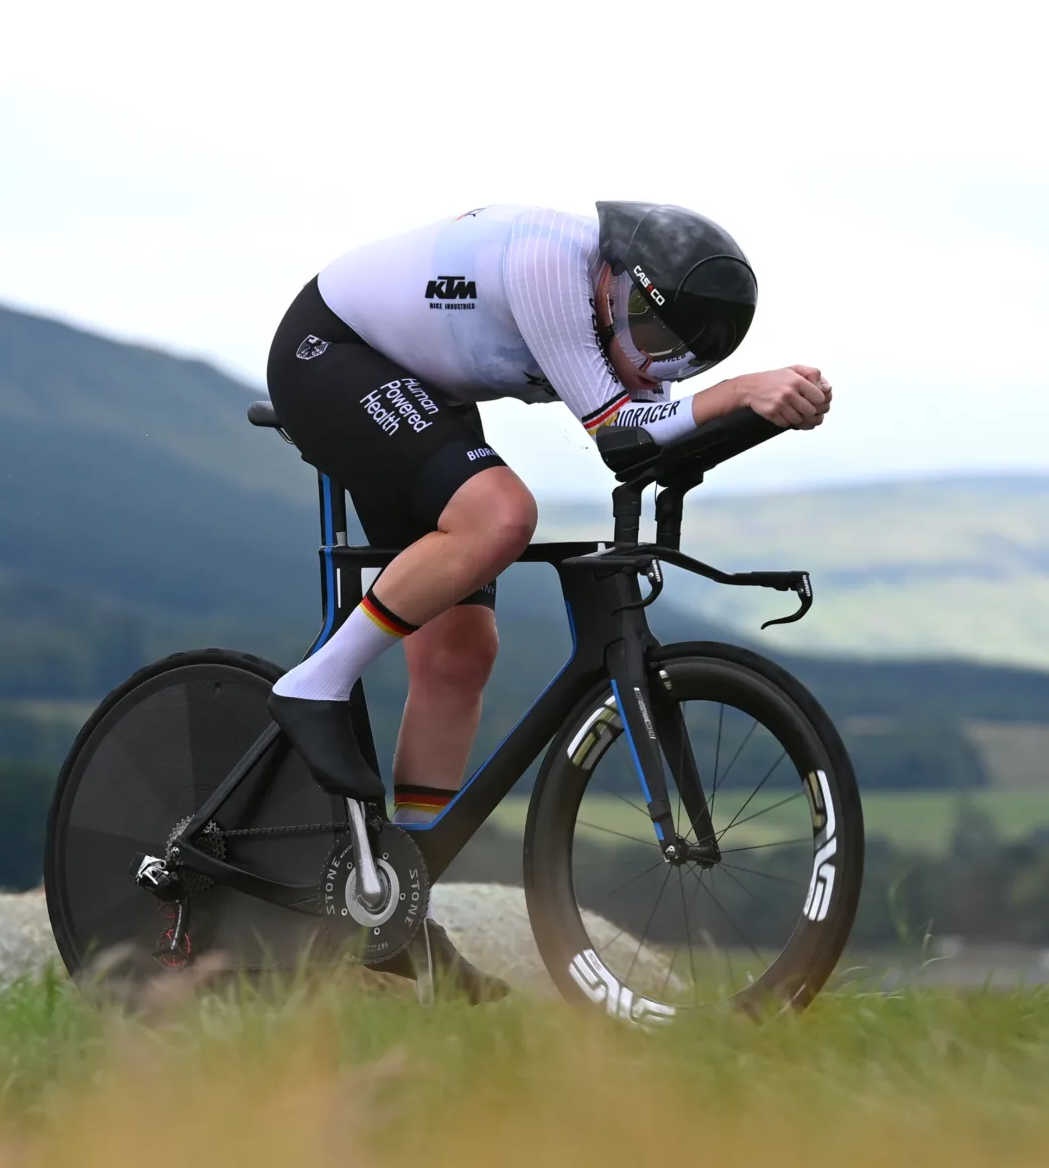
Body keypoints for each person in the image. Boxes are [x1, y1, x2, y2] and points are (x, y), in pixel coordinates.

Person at [262, 201, 832, 992]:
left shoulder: (608, 295)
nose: (650, 360)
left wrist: (762, 413)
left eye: (676, 358)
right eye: (644, 329)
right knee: (502, 513)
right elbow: (622, 431)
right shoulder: (547, 262)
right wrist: (735, 390)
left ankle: (399, 908)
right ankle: (316, 683)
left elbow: (658, 430)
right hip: (331, 355)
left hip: (422, 385)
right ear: (612, 281)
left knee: (461, 655)